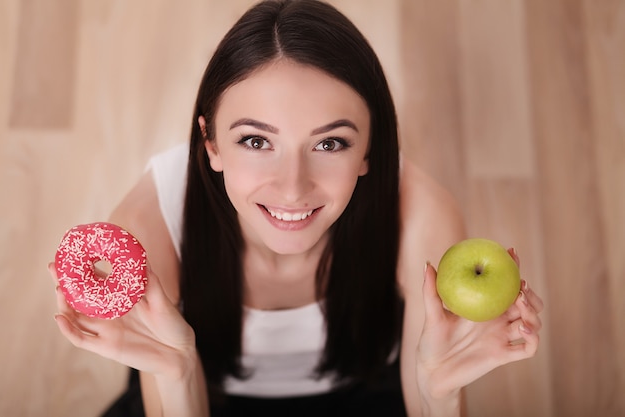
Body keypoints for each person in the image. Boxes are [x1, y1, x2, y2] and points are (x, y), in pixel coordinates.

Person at [49, 1, 544, 416]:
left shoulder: (423, 214)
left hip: (366, 393)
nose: (291, 188)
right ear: (211, 144)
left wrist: (438, 391)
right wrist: (176, 368)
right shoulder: (147, 225)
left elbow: (424, 395)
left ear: (370, 149)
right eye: (255, 140)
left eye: (329, 145)